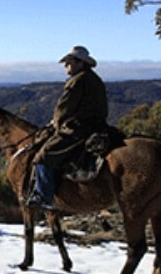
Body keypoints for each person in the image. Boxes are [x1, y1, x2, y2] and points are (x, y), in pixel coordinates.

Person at [28, 45, 108, 210]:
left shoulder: (77, 81)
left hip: (79, 129)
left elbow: (63, 108)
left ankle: (44, 196)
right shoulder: (95, 79)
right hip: (99, 126)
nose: (66, 66)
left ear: (80, 63)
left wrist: (56, 125)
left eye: (69, 62)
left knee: (43, 155)